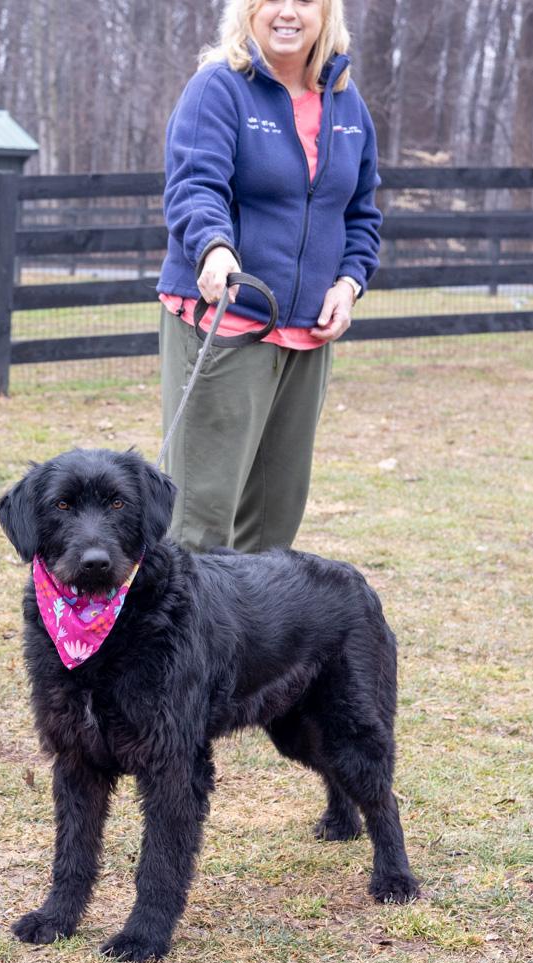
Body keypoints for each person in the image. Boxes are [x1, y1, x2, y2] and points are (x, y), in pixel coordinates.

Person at [157, 0, 382, 553]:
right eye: (270, 0)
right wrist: (213, 249)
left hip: (306, 334)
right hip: (228, 321)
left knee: (274, 522)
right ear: (248, 12)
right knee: (200, 519)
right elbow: (194, 184)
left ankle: (255, 642)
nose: (287, 12)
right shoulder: (219, 88)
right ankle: (184, 641)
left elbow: (361, 212)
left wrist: (349, 284)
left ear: (326, 14)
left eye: (304, 1)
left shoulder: (346, 103)